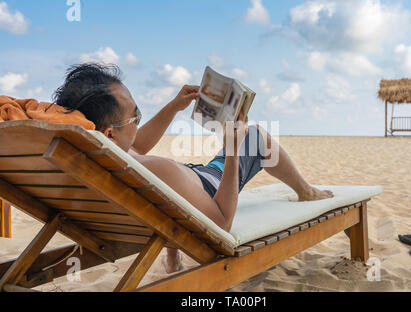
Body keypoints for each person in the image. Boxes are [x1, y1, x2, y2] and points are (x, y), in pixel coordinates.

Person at [52, 63, 333, 273]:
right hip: (208, 186)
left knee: (169, 192)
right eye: (135, 116)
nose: (139, 121)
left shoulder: (94, 158)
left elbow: (136, 146)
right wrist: (233, 150)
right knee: (258, 136)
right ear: (110, 133)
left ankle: (172, 252)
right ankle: (306, 191)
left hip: (172, 203)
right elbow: (221, 223)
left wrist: (174, 106)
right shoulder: (161, 171)